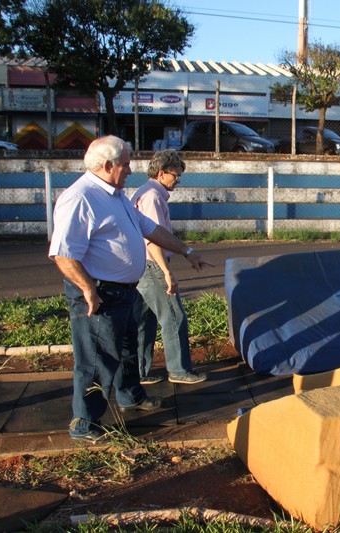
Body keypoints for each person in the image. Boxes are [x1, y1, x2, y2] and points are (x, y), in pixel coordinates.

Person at [49, 135, 212, 442]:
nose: (130, 169)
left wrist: (187, 252)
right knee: (96, 359)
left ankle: (131, 397)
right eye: (125, 163)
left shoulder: (116, 195)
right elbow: (62, 253)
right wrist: (88, 289)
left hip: (124, 290)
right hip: (99, 293)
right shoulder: (81, 197)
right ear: (107, 165)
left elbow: (151, 230)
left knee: (127, 350)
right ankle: (84, 423)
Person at [131, 150, 207, 385]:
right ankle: (179, 370)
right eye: (176, 175)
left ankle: (141, 371)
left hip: (140, 264)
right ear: (162, 173)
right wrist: (166, 271)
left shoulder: (146, 192)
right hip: (152, 264)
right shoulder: (153, 197)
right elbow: (153, 237)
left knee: (145, 320)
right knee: (174, 316)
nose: (178, 180)